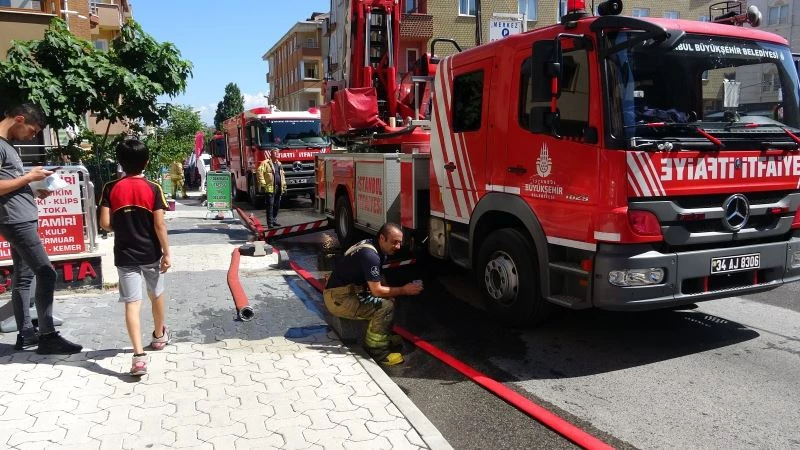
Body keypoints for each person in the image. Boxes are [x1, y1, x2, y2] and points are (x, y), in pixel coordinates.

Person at [0, 103, 83, 354]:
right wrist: (28, 178)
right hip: (16, 220)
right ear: (19, 119)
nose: (33, 136)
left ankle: (26, 334)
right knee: (46, 273)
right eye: (32, 130)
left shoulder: (7, 145)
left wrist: (32, 189)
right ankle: (47, 335)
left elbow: (8, 184)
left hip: (18, 216)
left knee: (24, 277)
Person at [99, 138, 172, 376]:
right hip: (151, 252)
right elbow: (159, 225)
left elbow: (105, 223)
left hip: (124, 254)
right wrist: (167, 253)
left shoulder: (110, 188)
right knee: (156, 294)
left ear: (120, 162)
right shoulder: (153, 188)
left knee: (132, 303)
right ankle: (159, 336)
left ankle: (138, 357)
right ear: (147, 162)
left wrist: (124, 227)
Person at [323, 223, 423, 366]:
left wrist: (388, 292)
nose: (398, 247)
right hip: (339, 299)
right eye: (394, 242)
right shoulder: (371, 256)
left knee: (388, 300)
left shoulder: (375, 247)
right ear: (382, 238)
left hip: (345, 292)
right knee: (385, 307)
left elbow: (377, 277)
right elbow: (376, 290)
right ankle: (379, 353)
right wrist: (404, 290)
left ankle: (383, 335)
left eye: (400, 242)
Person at [256, 149, 286, 227]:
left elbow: (282, 176)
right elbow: (259, 172)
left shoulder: (279, 164)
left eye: (278, 153)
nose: (277, 154)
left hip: (278, 188)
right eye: (275, 153)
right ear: (271, 154)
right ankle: (270, 223)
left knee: (277, 205)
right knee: (270, 205)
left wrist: (284, 186)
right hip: (269, 188)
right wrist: (263, 183)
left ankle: (274, 220)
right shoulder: (265, 163)